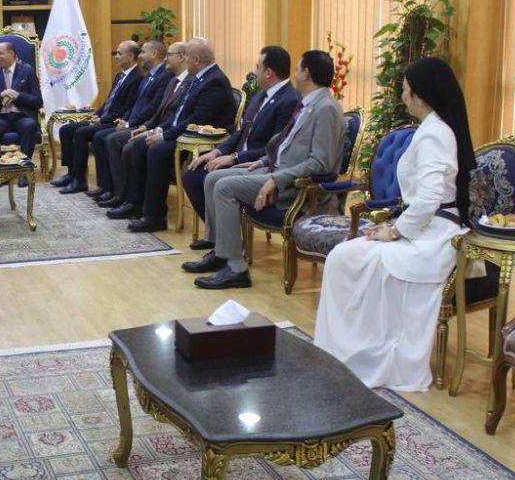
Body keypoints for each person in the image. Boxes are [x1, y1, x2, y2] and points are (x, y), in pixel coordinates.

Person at [314, 57, 476, 391]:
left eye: (404, 89)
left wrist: (395, 231)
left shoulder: (435, 134)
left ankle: (366, 353)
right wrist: (392, 225)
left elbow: (429, 200)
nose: (401, 96)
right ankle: (348, 350)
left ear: (419, 95)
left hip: (433, 237)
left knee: (347, 258)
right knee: (346, 255)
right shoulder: (433, 128)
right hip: (423, 227)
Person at [187, 50, 346, 288]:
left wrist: (276, 179)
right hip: (273, 169)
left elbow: (320, 163)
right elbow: (285, 145)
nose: (294, 74)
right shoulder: (309, 104)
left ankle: (236, 269)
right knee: (212, 178)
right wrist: (261, 161)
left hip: (293, 185)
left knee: (224, 187)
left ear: (306, 73)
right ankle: (221, 251)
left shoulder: (326, 109)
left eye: (297, 69)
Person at [181, 46, 300, 244]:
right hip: (236, 156)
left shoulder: (289, 101)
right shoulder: (262, 94)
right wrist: (217, 151)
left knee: (209, 178)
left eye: (257, 67)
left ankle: (225, 241)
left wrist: (234, 158)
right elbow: (241, 131)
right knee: (192, 174)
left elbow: (276, 147)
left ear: (268, 72)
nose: (254, 71)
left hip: (254, 162)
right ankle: (218, 237)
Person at [125, 39, 236, 232]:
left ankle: (155, 216)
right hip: (185, 132)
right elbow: (178, 115)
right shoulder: (198, 78)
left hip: (203, 139)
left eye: (186, 56)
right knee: (140, 145)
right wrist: (157, 130)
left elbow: (197, 119)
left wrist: (164, 136)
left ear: (196, 59)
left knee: (157, 151)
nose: (184, 59)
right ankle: (140, 207)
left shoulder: (214, 81)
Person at [104, 42, 192, 218]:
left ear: (182, 57)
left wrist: (157, 132)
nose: (166, 59)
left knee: (133, 146)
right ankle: (132, 201)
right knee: (130, 143)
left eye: (169, 55)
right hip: (160, 128)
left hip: (179, 136)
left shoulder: (187, 82)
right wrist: (147, 128)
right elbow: (161, 112)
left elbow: (184, 118)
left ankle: (141, 206)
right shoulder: (174, 81)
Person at [53, 41, 143, 194]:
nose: (116, 56)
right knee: (66, 130)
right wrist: (97, 114)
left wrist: (102, 119)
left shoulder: (137, 78)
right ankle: (71, 173)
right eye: (115, 53)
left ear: (131, 56)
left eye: (119, 53)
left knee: (81, 133)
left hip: (115, 122)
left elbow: (126, 108)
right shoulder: (120, 75)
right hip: (104, 118)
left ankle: (80, 180)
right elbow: (109, 101)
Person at [88, 40, 172, 205]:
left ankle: (121, 194)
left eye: (143, 52)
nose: (140, 56)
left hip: (145, 124)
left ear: (154, 54)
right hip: (134, 122)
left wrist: (131, 123)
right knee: (103, 137)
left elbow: (154, 107)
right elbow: (135, 104)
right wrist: (126, 120)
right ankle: (113, 189)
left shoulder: (164, 76)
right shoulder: (149, 75)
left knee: (111, 139)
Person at [0, 40, 44, 187]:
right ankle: (0, 173)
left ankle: (23, 170)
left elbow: (38, 101)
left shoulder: (27, 71)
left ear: (12, 54)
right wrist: (1, 95)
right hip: (1, 117)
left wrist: (18, 96)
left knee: (29, 125)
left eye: (0, 53)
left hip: (22, 116)